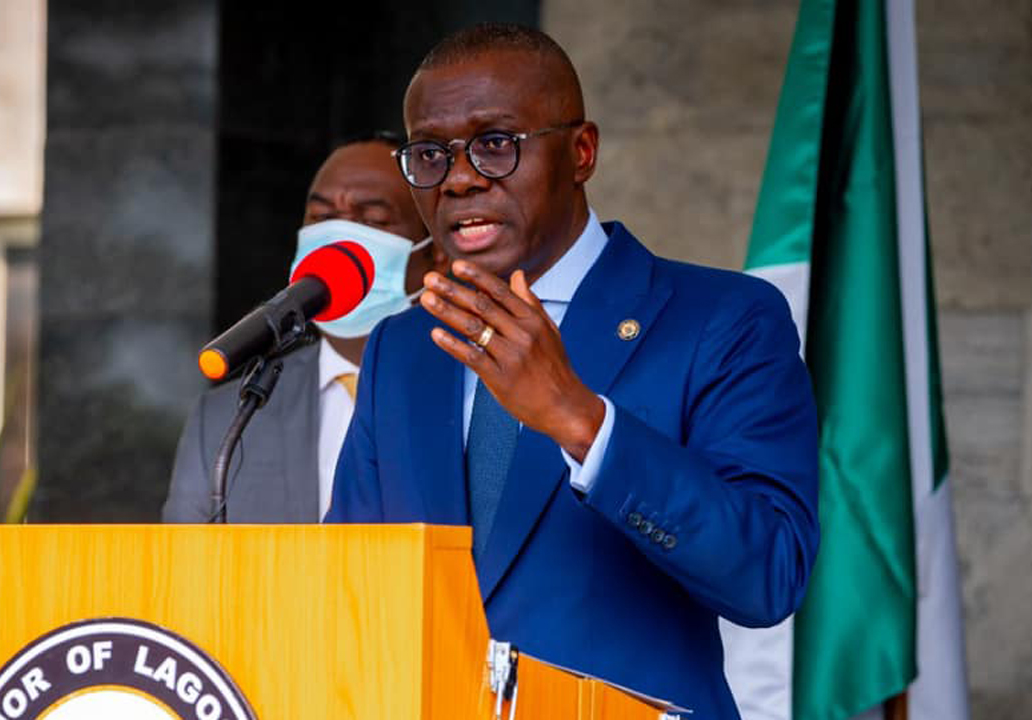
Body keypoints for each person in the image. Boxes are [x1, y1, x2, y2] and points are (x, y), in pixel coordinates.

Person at [325, 24, 819, 720]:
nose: (460, 178)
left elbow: (768, 575)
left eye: (495, 143)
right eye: (430, 154)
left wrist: (582, 422)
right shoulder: (403, 350)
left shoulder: (723, 319)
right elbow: (347, 587)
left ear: (581, 151)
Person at [162, 134, 444, 523]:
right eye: (322, 219)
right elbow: (184, 569)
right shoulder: (227, 417)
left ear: (437, 252)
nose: (340, 243)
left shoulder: (476, 391)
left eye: (373, 220)